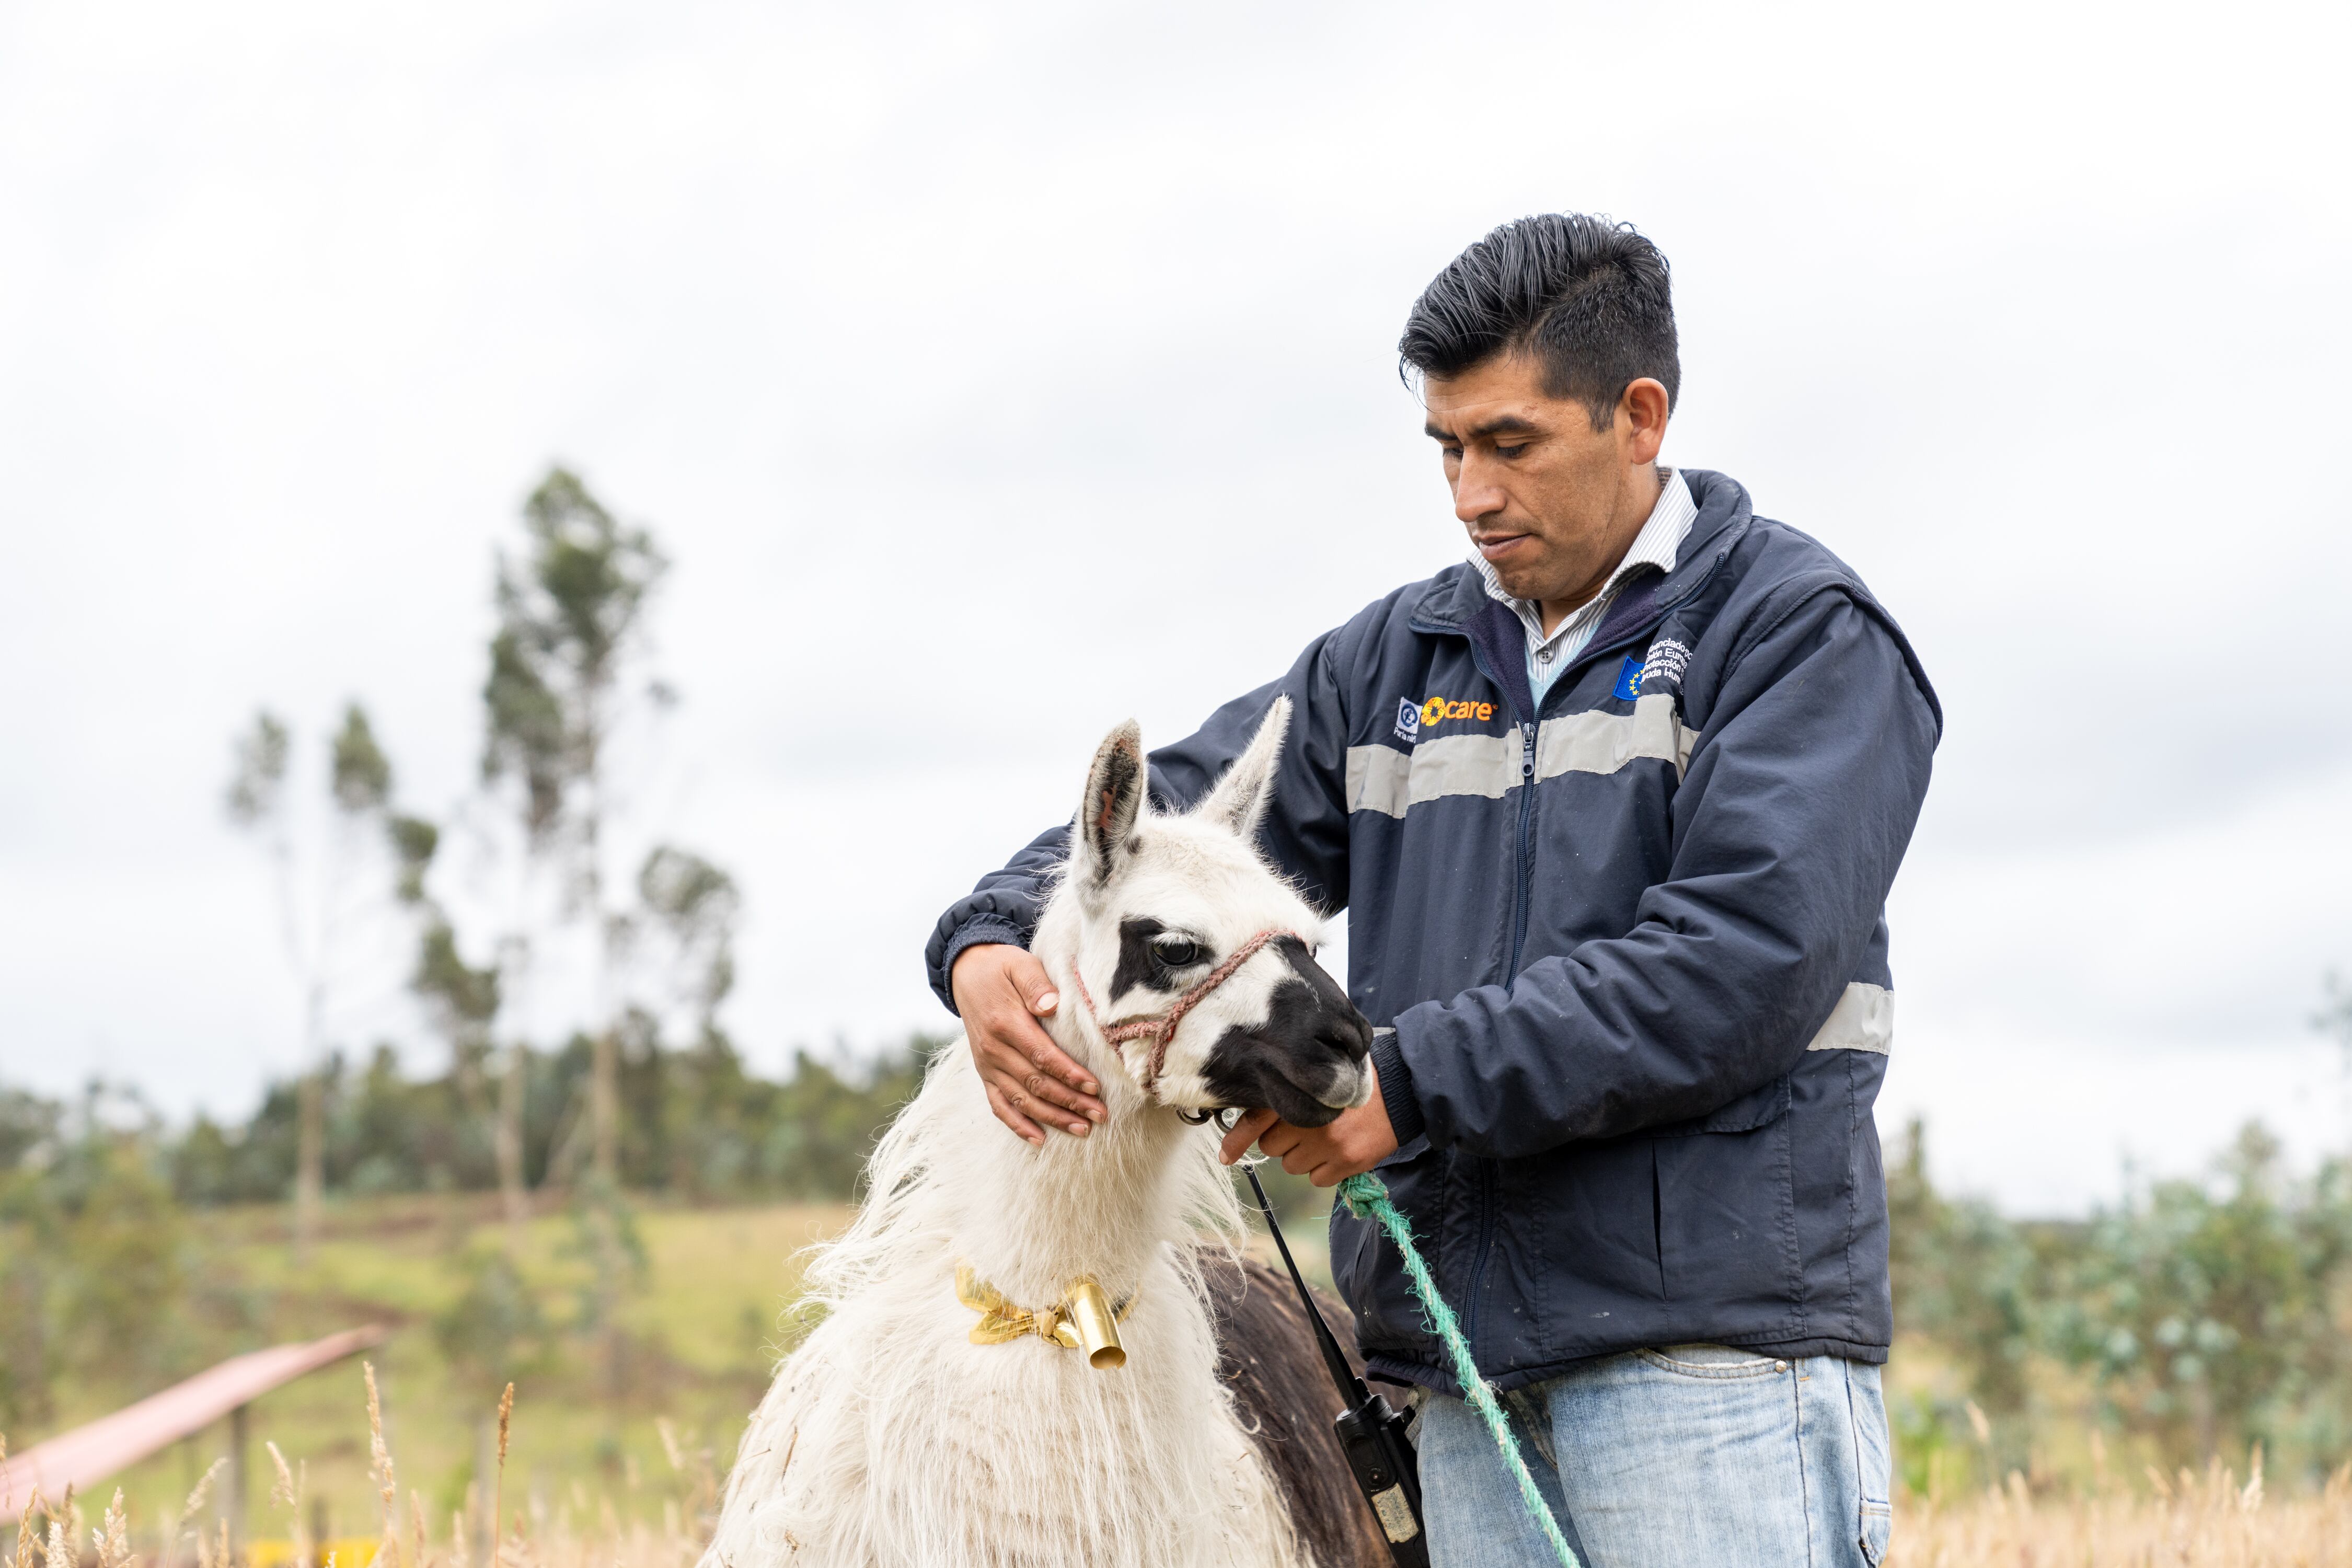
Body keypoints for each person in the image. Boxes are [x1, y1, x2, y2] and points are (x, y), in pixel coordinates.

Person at [925, 213, 1938, 1567]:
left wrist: (1411, 1084)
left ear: (1638, 416)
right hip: (1455, 1379)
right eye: (1448, 448)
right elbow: (1158, 823)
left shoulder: (1794, 638)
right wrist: (988, 939)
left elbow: (1737, 961)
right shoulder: (1389, 664)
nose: (1469, 492)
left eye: (1507, 443)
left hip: (1711, 1366)